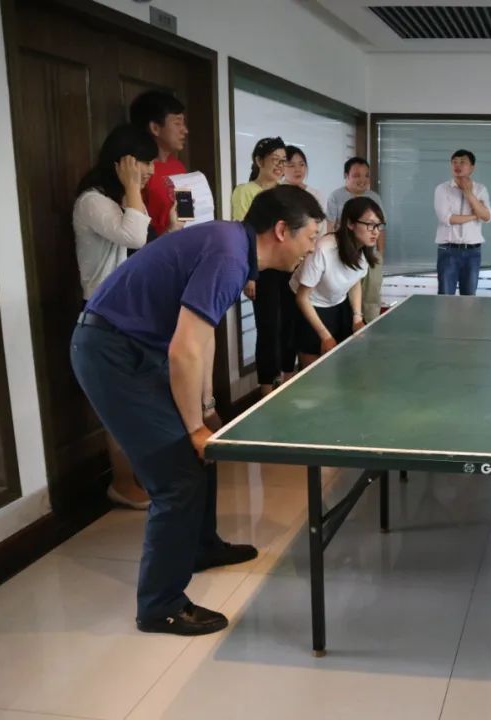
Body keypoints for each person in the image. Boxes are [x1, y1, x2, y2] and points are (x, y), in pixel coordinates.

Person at [70, 185, 324, 635]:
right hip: (112, 353)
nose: (312, 248)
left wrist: (205, 411)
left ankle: (202, 546)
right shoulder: (229, 255)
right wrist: (192, 427)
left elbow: (198, 338)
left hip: (136, 347)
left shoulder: (232, 247)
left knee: (203, 453)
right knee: (178, 477)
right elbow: (185, 348)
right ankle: (159, 605)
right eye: (310, 237)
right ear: (282, 230)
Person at [73, 123, 158, 511]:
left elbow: (143, 245)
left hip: (127, 313)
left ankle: (137, 477)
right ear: (123, 161)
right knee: (117, 405)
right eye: (144, 163)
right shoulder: (93, 202)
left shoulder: (116, 200)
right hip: (105, 316)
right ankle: (122, 483)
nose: (150, 171)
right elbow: (135, 236)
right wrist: (133, 188)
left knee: (135, 401)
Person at [232, 137, 294, 395]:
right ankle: (267, 387)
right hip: (262, 268)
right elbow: (243, 234)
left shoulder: (286, 192)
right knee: (268, 327)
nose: (280, 166)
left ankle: (288, 377)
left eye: (283, 161)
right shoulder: (245, 191)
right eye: (274, 160)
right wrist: (250, 274)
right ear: (259, 161)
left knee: (288, 323)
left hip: (287, 267)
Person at [292, 196, 382, 368]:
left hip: (338, 303)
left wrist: (357, 317)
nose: (376, 231)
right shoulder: (324, 249)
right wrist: (325, 336)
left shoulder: (363, 250)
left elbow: (354, 282)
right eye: (370, 224)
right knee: (314, 370)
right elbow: (302, 298)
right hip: (310, 306)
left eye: (378, 225)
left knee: (342, 364)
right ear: (350, 224)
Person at [325, 157, 386, 321]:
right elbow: (330, 226)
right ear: (346, 176)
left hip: (370, 253)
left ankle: (370, 325)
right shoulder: (336, 196)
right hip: (345, 253)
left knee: (371, 294)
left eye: (366, 175)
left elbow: (381, 228)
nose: (362, 180)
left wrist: (380, 254)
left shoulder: (374, 197)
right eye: (357, 175)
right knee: (346, 293)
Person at [129, 90, 189, 238]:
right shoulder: (138, 171)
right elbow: (135, 232)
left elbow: (186, 214)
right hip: (155, 248)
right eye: (177, 123)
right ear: (155, 128)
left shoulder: (179, 166)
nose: (185, 130)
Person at [434, 149, 491, 296]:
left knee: (469, 298)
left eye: (462, 162)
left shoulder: (480, 189)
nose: (457, 165)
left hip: (473, 252)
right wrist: (474, 215)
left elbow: (486, 217)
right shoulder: (442, 189)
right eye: (454, 162)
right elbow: (447, 218)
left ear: (472, 167)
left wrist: (469, 194)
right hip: (448, 250)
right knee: (445, 297)